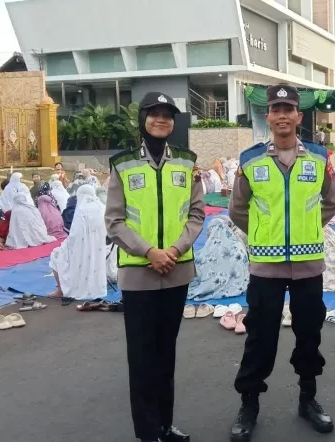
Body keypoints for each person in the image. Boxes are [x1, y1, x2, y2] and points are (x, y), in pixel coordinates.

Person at [228, 84, 335, 442]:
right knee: (260, 336)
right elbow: (238, 209)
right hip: (265, 266)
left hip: (309, 264)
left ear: (299, 116)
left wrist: (304, 228)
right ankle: (249, 405)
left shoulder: (320, 158)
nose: (282, 115)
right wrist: (265, 233)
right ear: (268, 116)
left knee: (309, 333)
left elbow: (331, 202)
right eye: (275, 109)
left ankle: (309, 399)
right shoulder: (250, 160)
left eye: (288, 108)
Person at [105, 91, 205, 442]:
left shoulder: (187, 162)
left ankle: (165, 425)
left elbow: (196, 214)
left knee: (166, 355)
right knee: (142, 359)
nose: (161, 120)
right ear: (142, 119)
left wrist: (175, 250)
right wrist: (149, 251)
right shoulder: (123, 164)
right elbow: (114, 222)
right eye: (154, 113)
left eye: (167, 114)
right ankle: (148, 433)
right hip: (139, 274)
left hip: (176, 272)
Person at [49, 185, 109, 300]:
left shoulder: (82, 209)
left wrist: (66, 245)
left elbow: (75, 235)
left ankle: (60, 290)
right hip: (102, 248)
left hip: (83, 248)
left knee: (56, 254)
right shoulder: (102, 207)